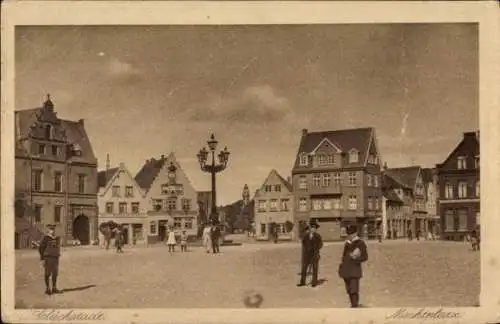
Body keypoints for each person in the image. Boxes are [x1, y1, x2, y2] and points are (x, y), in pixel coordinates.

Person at [338, 225, 368, 308]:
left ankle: (355, 305)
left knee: (354, 289)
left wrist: (356, 258)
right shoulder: (347, 243)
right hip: (346, 270)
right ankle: (353, 305)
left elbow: (365, 257)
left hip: (355, 270)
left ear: (356, 233)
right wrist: (341, 267)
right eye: (349, 234)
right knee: (349, 290)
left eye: (351, 234)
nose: (350, 235)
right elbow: (343, 257)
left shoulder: (360, 243)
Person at [297, 222, 323, 288]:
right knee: (304, 269)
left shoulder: (318, 236)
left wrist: (316, 249)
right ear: (310, 228)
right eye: (312, 228)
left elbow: (321, 244)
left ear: (316, 229)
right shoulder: (306, 236)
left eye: (314, 228)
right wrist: (306, 250)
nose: (313, 229)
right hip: (307, 255)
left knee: (315, 269)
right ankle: (302, 282)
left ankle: (314, 282)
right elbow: (303, 243)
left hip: (314, 254)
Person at [38, 224, 62, 295]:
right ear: (48, 230)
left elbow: (57, 247)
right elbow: (40, 248)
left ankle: (54, 288)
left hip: (55, 258)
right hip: (48, 258)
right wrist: (42, 258)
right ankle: (47, 288)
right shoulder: (45, 238)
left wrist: (57, 254)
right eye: (51, 229)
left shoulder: (57, 238)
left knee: (55, 274)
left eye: (53, 229)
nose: (52, 231)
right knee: (47, 273)